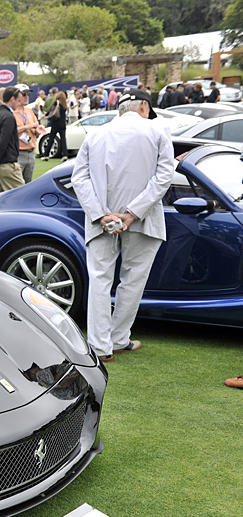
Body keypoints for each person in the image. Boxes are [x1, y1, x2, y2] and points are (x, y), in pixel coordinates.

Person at [70, 88, 173, 362]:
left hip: (101, 217)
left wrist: (99, 214)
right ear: (143, 107)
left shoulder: (96, 134)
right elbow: (164, 177)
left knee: (100, 280)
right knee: (133, 280)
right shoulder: (158, 131)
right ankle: (118, 339)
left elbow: (78, 178)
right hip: (143, 218)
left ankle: (102, 346)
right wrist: (133, 212)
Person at [13, 85, 46, 185]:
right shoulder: (12, 112)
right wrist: (29, 126)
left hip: (31, 153)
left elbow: (35, 130)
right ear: (16, 96)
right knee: (17, 185)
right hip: (18, 153)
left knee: (28, 185)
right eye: (24, 94)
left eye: (28, 94)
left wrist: (38, 130)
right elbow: (12, 131)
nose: (26, 96)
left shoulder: (29, 111)